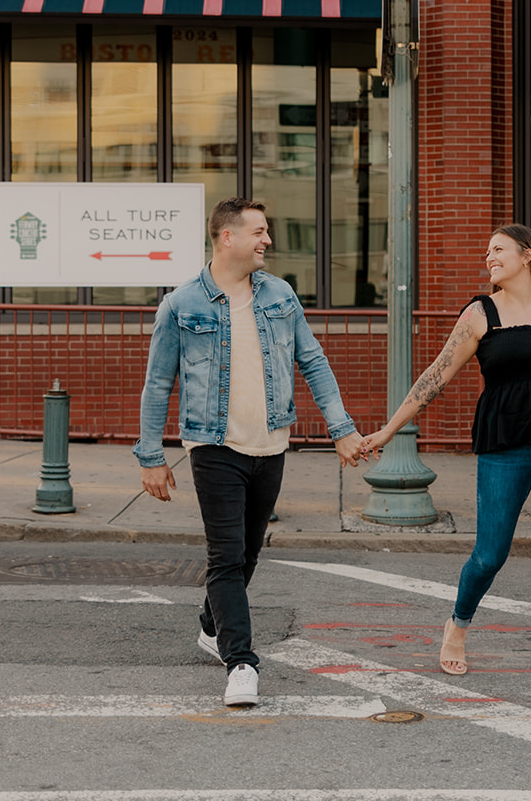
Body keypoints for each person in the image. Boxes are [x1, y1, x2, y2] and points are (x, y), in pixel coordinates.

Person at [362, 222, 531, 706]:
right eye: (487, 252)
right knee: (490, 553)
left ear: (528, 255)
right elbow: (434, 377)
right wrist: (389, 430)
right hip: (505, 442)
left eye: (499, 249)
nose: (489, 257)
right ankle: (458, 623)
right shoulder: (480, 314)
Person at [134, 197, 366, 709]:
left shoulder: (279, 294)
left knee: (248, 552)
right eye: (259, 231)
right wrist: (150, 456)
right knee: (225, 555)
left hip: (271, 443)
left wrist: (341, 428)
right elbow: (157, 385)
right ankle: (240, 662)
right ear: (227, 237)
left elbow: (314, 361)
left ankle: (210, 625)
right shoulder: (181, 304)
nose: (267, 241)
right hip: (213, 444)